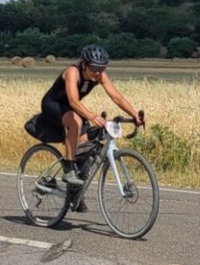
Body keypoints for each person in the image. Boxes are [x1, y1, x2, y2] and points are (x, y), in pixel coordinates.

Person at [37, 44, 143, 194]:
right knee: (76, 123)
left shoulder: (100, 75)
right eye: (94, 69)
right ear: (84, 65)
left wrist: (134, 114)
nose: (98, 73)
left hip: (72, 108)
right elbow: (73, 101)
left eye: (102, 69)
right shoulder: (72, 72)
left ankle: (74, 193)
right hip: (53, 105)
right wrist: (92, 116)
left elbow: (117, 97)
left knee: (86, 144)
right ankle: (68, 170)